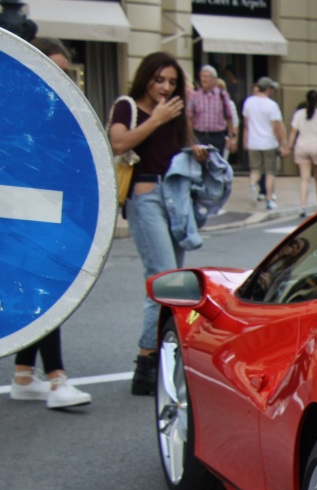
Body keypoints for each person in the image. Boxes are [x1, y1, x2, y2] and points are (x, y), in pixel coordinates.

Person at [109, 52, 210, 395]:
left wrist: (194, 150)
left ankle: (161, 356)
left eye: (171, 82)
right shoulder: (128, 106)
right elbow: (118, 142)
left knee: (174, 284)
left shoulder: (175, 112)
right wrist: (156, 119)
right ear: (146, 78)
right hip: (146, 194)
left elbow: (176, 150)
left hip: (176, 195)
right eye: (159, 80)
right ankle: (146, 361)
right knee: (163, 278)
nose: (165, 88)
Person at [10, 37, 92, 409]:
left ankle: (24, 375)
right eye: (52, 69)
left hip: (48, 208)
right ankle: (57, 380)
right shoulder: (22, 107)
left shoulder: (61, 111)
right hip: (22, 208)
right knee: (44, 288)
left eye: (65, 72)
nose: (59, 79)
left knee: (37, 287)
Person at [243, 76, 289, 211]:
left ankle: (252, 184)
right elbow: (276, 127)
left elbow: (246, 124)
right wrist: (282, 143)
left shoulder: (249, 102)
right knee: (269, 172)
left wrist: (245, 140)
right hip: (268, 142)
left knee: (255, 169)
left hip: (253, 141)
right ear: (268, 89)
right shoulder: (272, 105)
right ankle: (269, 199)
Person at [188, 65, 238, 157]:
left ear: (214, 79)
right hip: (200, 137)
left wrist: (231, 138)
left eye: (207, 77)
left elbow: (229, 117)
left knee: (216, 167)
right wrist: (191, 139)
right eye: (202, 76)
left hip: (218, 137)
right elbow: (189, 118)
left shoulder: (222, 95)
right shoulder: (195, 96)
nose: (204, 79)